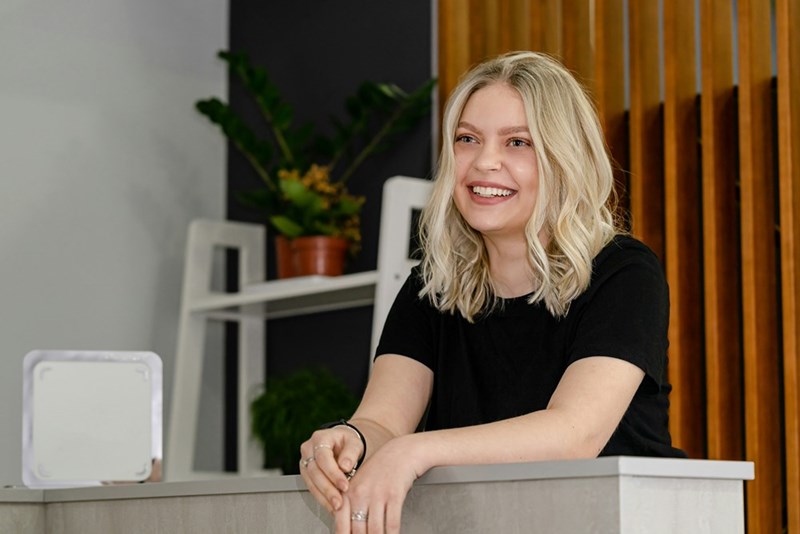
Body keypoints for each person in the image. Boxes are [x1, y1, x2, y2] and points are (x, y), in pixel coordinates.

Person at [299, 50, 686, 534]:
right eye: (467, 139)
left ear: (564, 157)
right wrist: (347, 438)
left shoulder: (623, 273)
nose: (484, 162)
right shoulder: (431, 284)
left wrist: (414, 450)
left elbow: (573, 434)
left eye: (517, 142)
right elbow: (382, 422)